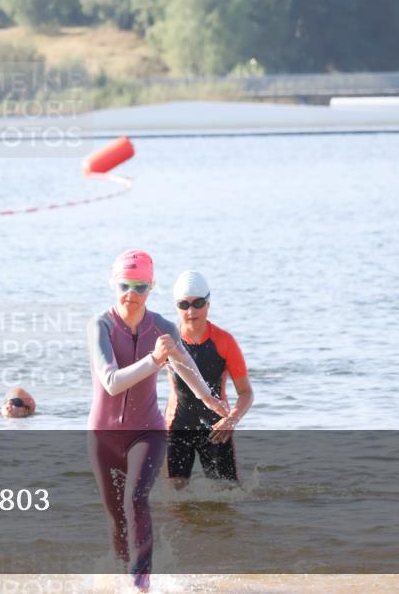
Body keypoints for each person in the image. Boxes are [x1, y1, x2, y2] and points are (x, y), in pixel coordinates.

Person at [88, 250, 227, 591]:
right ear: (113, 284)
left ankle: (141, 583)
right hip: (103, 437)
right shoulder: (100, 326)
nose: (131, 294)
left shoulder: (162, 328)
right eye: (125, 285)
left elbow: (183, 365)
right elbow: (111, 381)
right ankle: (123, 580)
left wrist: (208, 397)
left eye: (140, 286)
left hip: (147, 433)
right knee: (116, 517)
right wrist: (154, 359)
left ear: (151, 287)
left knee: (135, 498)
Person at [165, 271, 254, 489]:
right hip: (177, 427)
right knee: (174, 500)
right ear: (176, 307)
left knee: (228, 496)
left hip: (216, 428)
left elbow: (246, 392)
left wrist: (231, 419)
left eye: (198, 303)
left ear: (208, 304)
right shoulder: (167, 341)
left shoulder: (224, 341)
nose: (191, 311)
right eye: (183, 305)